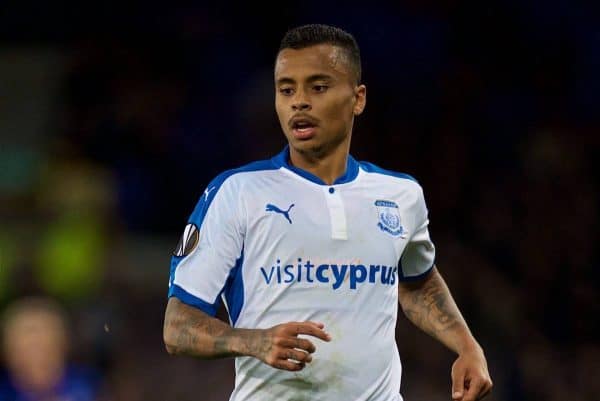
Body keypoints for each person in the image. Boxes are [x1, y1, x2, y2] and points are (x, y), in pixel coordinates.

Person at [163, 23, 492, 401]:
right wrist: (254, 341)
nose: (298, 101)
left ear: (358, 98)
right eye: (286, 89)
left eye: (317, 87)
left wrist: (467, 345)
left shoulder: (401, 195)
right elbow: (177, 326)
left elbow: (417, 280)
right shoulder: (238, 193)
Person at [0, 296, 101, 401]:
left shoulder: (89, 386)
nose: (38, 358)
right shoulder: (4, 394)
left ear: (63, 346)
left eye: (46, 348)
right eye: (27, 350)